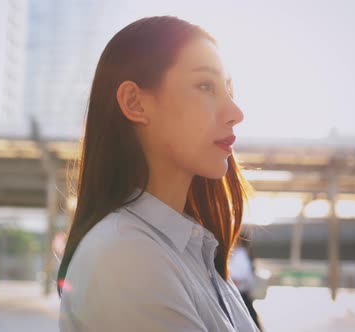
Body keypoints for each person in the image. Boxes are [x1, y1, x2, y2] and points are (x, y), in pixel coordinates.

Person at [57, 16, 261, 332]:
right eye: (206, 86)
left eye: (229, 89)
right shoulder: (126, 256)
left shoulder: (190, 249)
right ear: (135, 103)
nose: (236, 113)